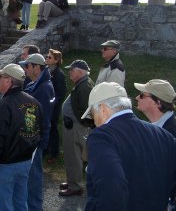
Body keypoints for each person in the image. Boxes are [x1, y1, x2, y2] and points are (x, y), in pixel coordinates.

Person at [81, 82, 176, 211]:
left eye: (92, 114)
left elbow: (111, 188)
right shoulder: (164, 135)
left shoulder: (102, 136)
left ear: (103, 108)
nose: (94, 121)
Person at [0, 64, 43, 211]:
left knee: (3, 205)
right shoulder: (33, 103)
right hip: (25, 162)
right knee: (20, 202)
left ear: (9, 81)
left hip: (4, 165)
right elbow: (39, 132)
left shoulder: (2, 106)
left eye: (0, 77)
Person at [19, 54, 54, 211]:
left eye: (27, 66)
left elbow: (40, 119)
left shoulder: (43, 89)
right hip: (31, 139)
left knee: (33, 178)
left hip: (34, 140)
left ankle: (34, 207)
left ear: (36, 68)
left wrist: (31, 140)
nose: (25, 69)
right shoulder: (36, 85)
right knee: (30, 177)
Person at [134, 79, 176, 210]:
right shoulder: (152, 127)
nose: (136, 97)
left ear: (157, 102)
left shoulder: (172, 133)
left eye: (142, 95)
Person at [59, 59, 94, 196]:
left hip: (75, 127)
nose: (69, 73)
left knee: (74, 156)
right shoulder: (82, 83)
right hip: (73, 125)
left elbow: (87, 109)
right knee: (71, 155)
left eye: (72, 70)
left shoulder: (84, 86)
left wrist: (78, 122)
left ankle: (75, 186)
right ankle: (72, 181)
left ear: (80, 71)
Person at [45, 49, 67, 163]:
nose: (47, 59)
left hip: (53, 107)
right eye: (47, 57)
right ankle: (47, 149)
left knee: (53, 128)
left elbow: (61, 93)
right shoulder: (48, 71)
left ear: (56, 60)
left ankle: (55, 153)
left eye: (49, 57)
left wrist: (52, 104)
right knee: (47, 128)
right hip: (48, 105)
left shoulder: (58, 74)